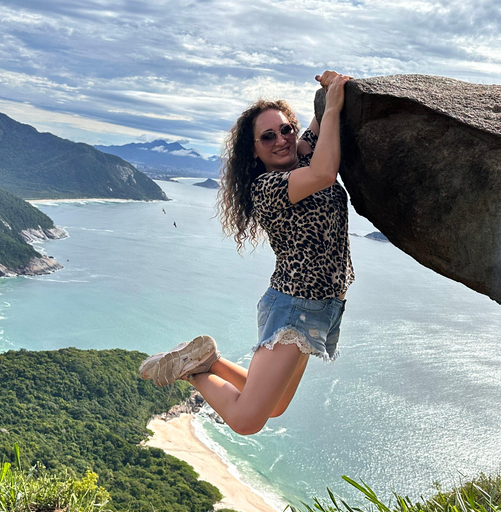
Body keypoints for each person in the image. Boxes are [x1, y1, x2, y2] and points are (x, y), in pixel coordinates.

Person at [139, 70, 354, 435]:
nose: (281, 140)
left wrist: (331, 86)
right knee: (246, 420)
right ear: (253, 150)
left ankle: (209, 361)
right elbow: (324, 173)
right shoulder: (268, 187)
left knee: (277, 407)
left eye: (286, 129)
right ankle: (191, 372)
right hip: (295, 306)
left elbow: (320, 119)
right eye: (267, 136)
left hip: (323, 305)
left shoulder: (301, 157)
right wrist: (333, 108)